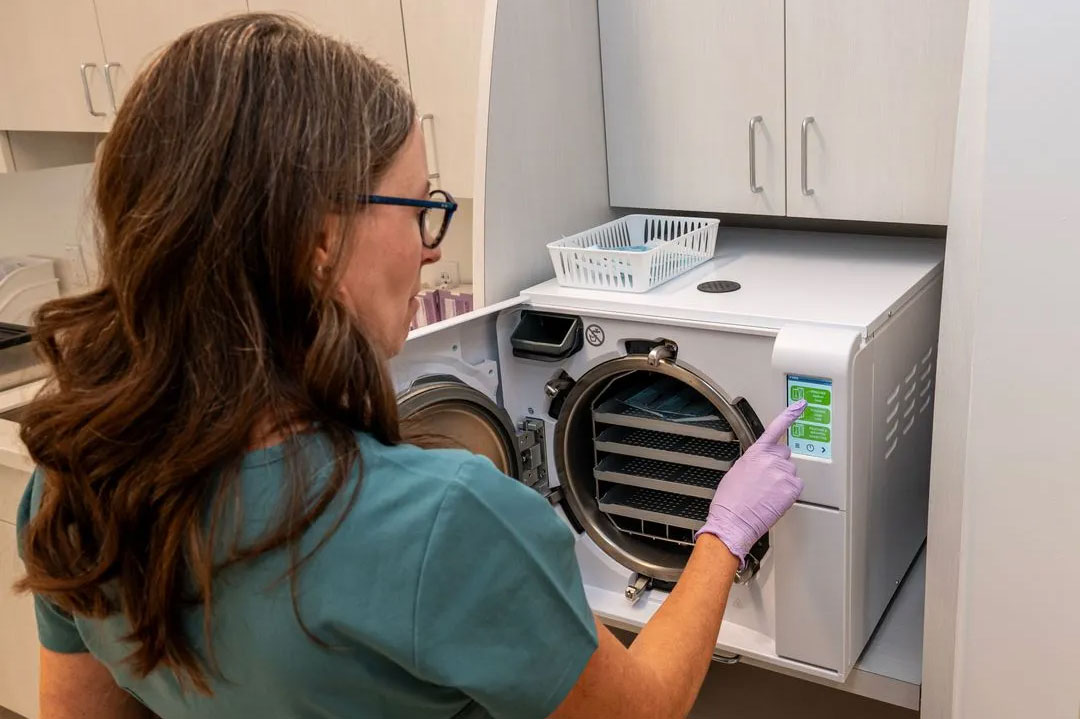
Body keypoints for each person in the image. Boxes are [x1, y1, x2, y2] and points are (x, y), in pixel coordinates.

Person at [14, 14, 806, 719]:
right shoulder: (451, 522)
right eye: (419, 206)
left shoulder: (74, 479)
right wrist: (724, 533)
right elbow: (642, 709)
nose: (432, 248)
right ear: (318, 243)